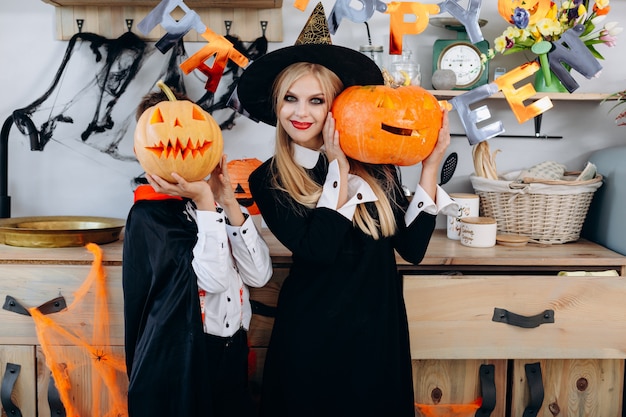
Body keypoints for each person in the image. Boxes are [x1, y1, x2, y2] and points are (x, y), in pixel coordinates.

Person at [235, 5, 457, 417]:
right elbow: (320, 249)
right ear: (277, 104)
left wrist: (430, 166)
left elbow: (412, 248)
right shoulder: (268, 179)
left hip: (377, 330)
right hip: (312, 333)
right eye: (291, 99)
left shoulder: (377, 162)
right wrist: (337, 168)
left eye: (316, 101)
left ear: (338, 106)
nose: (301, 114)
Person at [123, 89, 273, 417]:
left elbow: (259, 275)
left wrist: (226, 200)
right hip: (189, 359)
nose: (181, 142)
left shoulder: (215, 207)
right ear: (144, 150)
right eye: (166, 133)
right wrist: (206, 202)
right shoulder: (150, 216)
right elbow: (215, 280)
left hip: (233, 350)